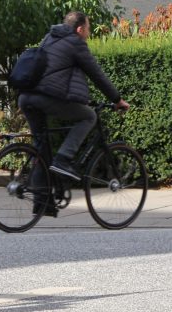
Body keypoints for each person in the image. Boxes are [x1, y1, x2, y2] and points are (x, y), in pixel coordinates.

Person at [18, 11, 129, 188]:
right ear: (79, 29)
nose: (89, 33)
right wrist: (117, 99)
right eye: (88, 29)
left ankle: (43, 201)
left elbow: (61, 75)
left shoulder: (50, 37)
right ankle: (63, 159)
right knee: (89, 116)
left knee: (42, 149)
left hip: (26, 97)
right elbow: (96, 74)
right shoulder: (76, 43)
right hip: (46, 98)